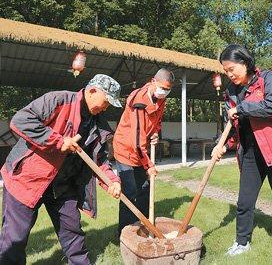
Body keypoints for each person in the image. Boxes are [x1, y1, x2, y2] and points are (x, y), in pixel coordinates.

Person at [0, 74, 123, 265]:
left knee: (73, 233)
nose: (106, 108)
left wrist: (111, 181)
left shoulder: (98, 124)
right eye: (106, 102)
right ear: (92, 91)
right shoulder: (58, 100)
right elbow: (20, 120)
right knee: (14, 239)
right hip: (27, 180)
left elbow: (99, 159)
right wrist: (57, 140)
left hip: (63, 186)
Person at [212, 44, 272, 262]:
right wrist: (225, 145)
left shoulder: (268, 79)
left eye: (232, 68)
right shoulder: (231, 92)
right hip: (251, 152)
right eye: (226, 71)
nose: (229, 74)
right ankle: (241, 242)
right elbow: (235, 124)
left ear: (244, 62)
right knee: (244, 202)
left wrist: (241, 109)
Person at [113, 68, 174, 235]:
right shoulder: (138, 100)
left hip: (141, 149)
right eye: (163, 87)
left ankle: (144, 226)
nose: (165, 92)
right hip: (126, 148)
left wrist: (155, 132)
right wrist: (148, 166)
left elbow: (157, 120)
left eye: (168, 89)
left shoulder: (161, 99)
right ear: (153, 81)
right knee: (130, 191)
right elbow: (136, 140)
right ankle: (125, 233)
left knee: (145, 189)